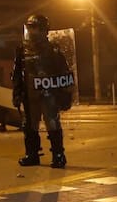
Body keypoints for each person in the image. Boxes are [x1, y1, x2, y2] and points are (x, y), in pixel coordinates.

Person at [12, 14, 74, 168]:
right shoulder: (22, 50)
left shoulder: (53, 50)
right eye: (30, 28)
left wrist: (66, 94)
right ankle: (32, 154)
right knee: (29, 125)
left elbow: (64, 73)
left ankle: (58, 155)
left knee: (52, 123)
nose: (32, 32)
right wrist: (17, 93)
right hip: (30, 95)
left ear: (44, 30)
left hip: (49, 94)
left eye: (35, 28)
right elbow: (17, 73)